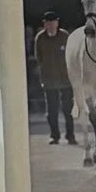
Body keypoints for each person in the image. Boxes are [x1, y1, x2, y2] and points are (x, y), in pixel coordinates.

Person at [31, 9, 72, 144]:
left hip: (65, 79)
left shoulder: (65, 36)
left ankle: (70, 135)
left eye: (53, 22)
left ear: (57, 23)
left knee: (68, 109)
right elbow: (39, 57)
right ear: (45, 24)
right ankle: (55, 135)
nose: (50, 25)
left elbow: (71, 55)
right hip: (49, 79)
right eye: (48, 23)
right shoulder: (40, 38)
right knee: (52, 110)